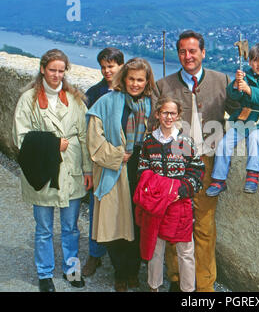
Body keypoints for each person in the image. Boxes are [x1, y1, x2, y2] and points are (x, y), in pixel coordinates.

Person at [154, 30, 259, 292]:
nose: (187, 56)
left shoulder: (221, 80)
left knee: (204, 225)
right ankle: (177, 279)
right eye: (182, 51)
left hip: (208, 162)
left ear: (203, 53)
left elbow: (241, 109)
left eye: (193, 51)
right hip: (175, 164)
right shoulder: (163, 85)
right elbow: (153, 126)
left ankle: (204, 286)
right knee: (173, 222)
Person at [12, 49, 93, 292]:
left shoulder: (76, 99)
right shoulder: (28, 99)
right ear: (42, 69)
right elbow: (20, 137)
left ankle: (71, 269)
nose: (56, 75)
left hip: (72, 168)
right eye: (52, 70)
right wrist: (53, 144)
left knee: (71, 226)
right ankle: (44, 273)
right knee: (44, 227)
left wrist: (87, 170)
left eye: (61, 70)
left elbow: (84, 136)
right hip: (43, 170)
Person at [86, 57, 155, 292]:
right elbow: (93, 138)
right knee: (116, 224)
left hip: (144, 172)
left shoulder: (152, 105)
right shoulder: (107, 101)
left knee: (137, 225)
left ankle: (133, 270)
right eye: (131, 79)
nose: (135, 84)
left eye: (140, 80)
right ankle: (119, 272)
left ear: (147, 82)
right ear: (123, 79)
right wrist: (116, 155)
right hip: (117, 170)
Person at [136, 97, 204, 292]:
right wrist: (157, 192)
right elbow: (143, 171)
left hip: (179, 204)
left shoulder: (185, 141)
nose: (168, 117)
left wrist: (180, 192)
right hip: (156, 205)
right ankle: (154, 287)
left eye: (172, 113)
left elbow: (197, 171)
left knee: (186, 251)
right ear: (157, 114)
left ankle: (188, 291)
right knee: (155, 249)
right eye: (164, 112)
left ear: (178, 115)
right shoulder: (149, 142)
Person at [206, 43, 259, 195]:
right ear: (250, 62)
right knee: (224, 144)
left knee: (256, 139)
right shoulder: (245, 75)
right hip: (244, 118)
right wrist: (236, 84)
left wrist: (249, 89)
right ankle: (218, 180)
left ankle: (253, 174)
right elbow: (233, 96)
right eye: (256, 60)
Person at [82, 47, 124, 277]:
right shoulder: (94, 93)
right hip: (100, 161)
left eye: (112, 66)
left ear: (121, 66)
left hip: (124, 161)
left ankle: (122, 259)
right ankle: (95, 254)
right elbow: (86, 134)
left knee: (122, 210)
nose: (107, 70)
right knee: (96, 209)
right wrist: (87, 168)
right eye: (104, 66)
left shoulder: (131, 90)